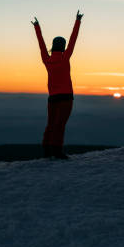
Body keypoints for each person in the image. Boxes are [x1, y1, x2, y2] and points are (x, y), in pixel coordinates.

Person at [32, 10, 82, 159]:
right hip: (66, 97)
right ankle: (57, 150)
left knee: (51, 124)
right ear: (63, 46)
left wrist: (37, 27)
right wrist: (78, 21)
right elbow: (74, 39)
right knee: (60, 125)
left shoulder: (47, 59)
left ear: (53, 46)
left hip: (52, 98)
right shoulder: (65, 57)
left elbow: (41, 44)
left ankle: (47, 149)